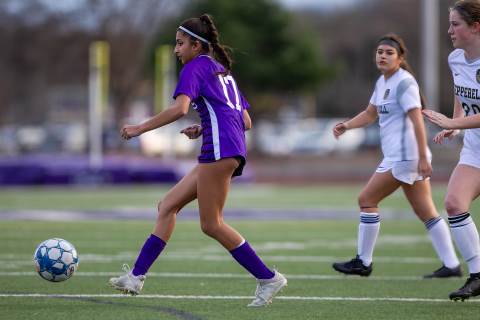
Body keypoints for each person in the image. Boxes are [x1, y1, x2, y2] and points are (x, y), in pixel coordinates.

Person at [108, 14, 287, 307]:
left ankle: (268, 278)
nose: (176, 49)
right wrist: (204, 127)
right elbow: (246, 120)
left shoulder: (195, 67)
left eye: (180, 44)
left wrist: (140, 128)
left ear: (196, 44)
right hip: (224, 147)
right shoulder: (222, 71)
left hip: (220, 150)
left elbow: (179, 109)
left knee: (212, 224)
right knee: (167, 206)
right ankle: (136, 277)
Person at [331, 33, 462, 279]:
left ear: (400, 58)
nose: (383, 56)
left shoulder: (405, 83)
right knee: (426, 212)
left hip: (405, 157)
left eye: (389, 53)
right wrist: (347, 125)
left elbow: (417, 121)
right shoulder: (383, 83)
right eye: (380, 52)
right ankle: (452, 265)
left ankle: (363, 261)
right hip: (402, 157)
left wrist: (423, 156)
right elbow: (370, 114)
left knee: (366, 199)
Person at [422, 0, 480, 302]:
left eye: (455, 24)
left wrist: (454, 120)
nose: (449, 30)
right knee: (455, 204)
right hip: (475, 151)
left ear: (475, 27)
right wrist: (457, 125)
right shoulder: (456, 58)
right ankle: (478, 275)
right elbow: (461, 93)